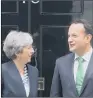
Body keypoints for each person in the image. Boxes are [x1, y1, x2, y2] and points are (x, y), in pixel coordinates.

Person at [50, 19, 93, 97]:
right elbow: (55, 95)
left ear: (87, 38)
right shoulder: (61, 63)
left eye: (74, 36)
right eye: (69, 36)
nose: (69, 40)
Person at [2, 30, 38, 97]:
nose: (32, 51)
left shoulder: (34, 71)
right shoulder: (3, 71)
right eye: (29, 48)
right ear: (17, 52)